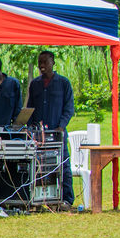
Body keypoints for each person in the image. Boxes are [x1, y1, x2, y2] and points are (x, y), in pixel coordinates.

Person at [27, 50, 76, 207]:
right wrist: (30, 128)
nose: (42, 65)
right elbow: (30, 108)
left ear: (52, 63)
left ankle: (67, 199)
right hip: (39, 134)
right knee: (38, 165)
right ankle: (39, 198)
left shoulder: (63, 83)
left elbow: (69, 108)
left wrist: (61, 126)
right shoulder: (35, 84)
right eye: (39, 63)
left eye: (45, 62)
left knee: (63, 164)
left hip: (57, 131)